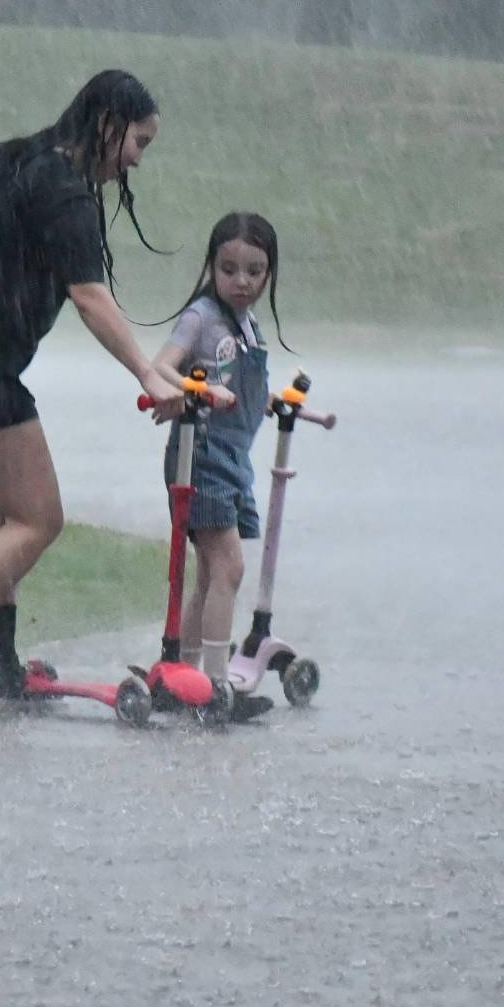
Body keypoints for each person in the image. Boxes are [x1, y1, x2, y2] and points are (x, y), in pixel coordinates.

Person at [0, 70, 188, 708]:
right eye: (139, 141)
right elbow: (89, 296)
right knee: (38, 519)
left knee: (5, 521)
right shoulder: (67, 193)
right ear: (107, 122)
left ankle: (0, 668)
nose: (137, 159)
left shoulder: (5, 157)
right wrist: (144, 370)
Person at [150, 212, 293, 722]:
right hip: (201, 451)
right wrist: (199, 388)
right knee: (228, 567)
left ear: (269, 273)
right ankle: (214, 685)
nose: (242, 281)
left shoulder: (249, 324)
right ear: (212, 266)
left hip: (233, 459)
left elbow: (241, 383)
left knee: (212, 573)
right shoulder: (202, 316)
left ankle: (184, 676)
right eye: (229, 269)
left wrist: (270, 401)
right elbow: (163, 364)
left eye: (255, 271)